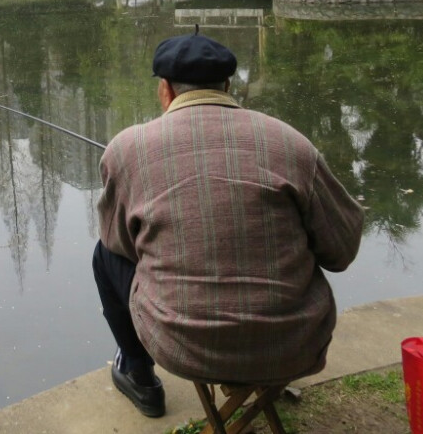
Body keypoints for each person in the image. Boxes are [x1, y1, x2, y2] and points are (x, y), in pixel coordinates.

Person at [93, 33, 364, 418]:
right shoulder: (292, 144)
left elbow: (119, 243)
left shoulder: (125, 149)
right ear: (227, 86)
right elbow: (341, 251)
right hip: (296, 344)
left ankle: (138, 373)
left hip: (181, 347)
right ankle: (266, 351)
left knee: (103, 255)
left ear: (164, 90)